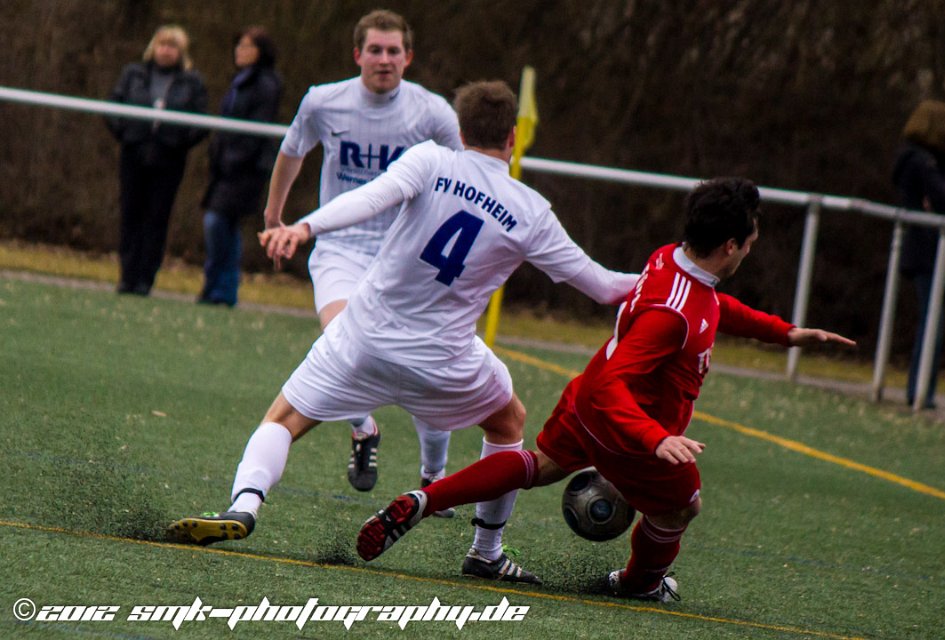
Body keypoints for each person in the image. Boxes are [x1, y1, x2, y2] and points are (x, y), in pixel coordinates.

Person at [168, 80, 639, 585]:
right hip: (445, 361)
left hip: (362, 341)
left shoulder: (431, 160)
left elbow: (368, 199)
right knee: (508, 423)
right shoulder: (530, 210)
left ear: (460, 129)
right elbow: (604, 287)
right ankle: (486, 551)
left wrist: (303, 228)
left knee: (282, 419)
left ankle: (244, 505)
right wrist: (676, 276)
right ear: (514, 136)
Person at [357, 178, 856, 600]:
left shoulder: (670, 258)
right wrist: (655, 439)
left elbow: (716, 307)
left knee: (540, 465)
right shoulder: (673, 316)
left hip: (586, 398)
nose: (749, 249)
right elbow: (628, 377)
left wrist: (783, 332)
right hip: (624, 426)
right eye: (749, 242)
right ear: (730, 246)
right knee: (684, 506)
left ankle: (426, 500)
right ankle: (639, 583)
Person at [262, 9, 464, 496]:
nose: (384, 59)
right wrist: (274, 217)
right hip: (341, 246)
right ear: (357, 54)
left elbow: (469, 173)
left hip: (407, 252)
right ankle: (363, 426)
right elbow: (292, 151)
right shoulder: (323, 102)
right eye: (375, 49)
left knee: (430, 364)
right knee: (341, 339)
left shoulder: (432, 112)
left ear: (408, 58)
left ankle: (434, 475)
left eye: (394, 51)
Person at [106, 25, 208, 296]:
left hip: (169, 160)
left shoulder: (192, 82)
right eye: (162, 45)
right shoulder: (134, 74)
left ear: (181, 52)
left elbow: (201, 121)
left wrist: (177, 142)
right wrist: (128, 135)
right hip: (134, 154)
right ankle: (127, 276)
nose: (166, 51)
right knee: (131, 214)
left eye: (172, 46)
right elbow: (112, 107)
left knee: (157, 218)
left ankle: (145, 279)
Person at [198, 26, 282, 307]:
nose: (240, 51)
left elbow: (254, 130)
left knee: (218, 221)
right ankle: (216, 289)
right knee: (222, 225)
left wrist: (234, 159)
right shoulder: (240, 81)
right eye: (239, 45)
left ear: (261, 52)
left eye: (248, 46)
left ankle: (222, 289)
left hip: (244, 169)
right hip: (226, 166)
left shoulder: (266, 84)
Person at [893, 99, 945, 410]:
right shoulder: (920, 162)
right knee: (930, 321)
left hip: (930, 249)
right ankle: (920, 391)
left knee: (933, 320)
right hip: (926, 250)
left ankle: (923, 390)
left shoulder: (926, 161)